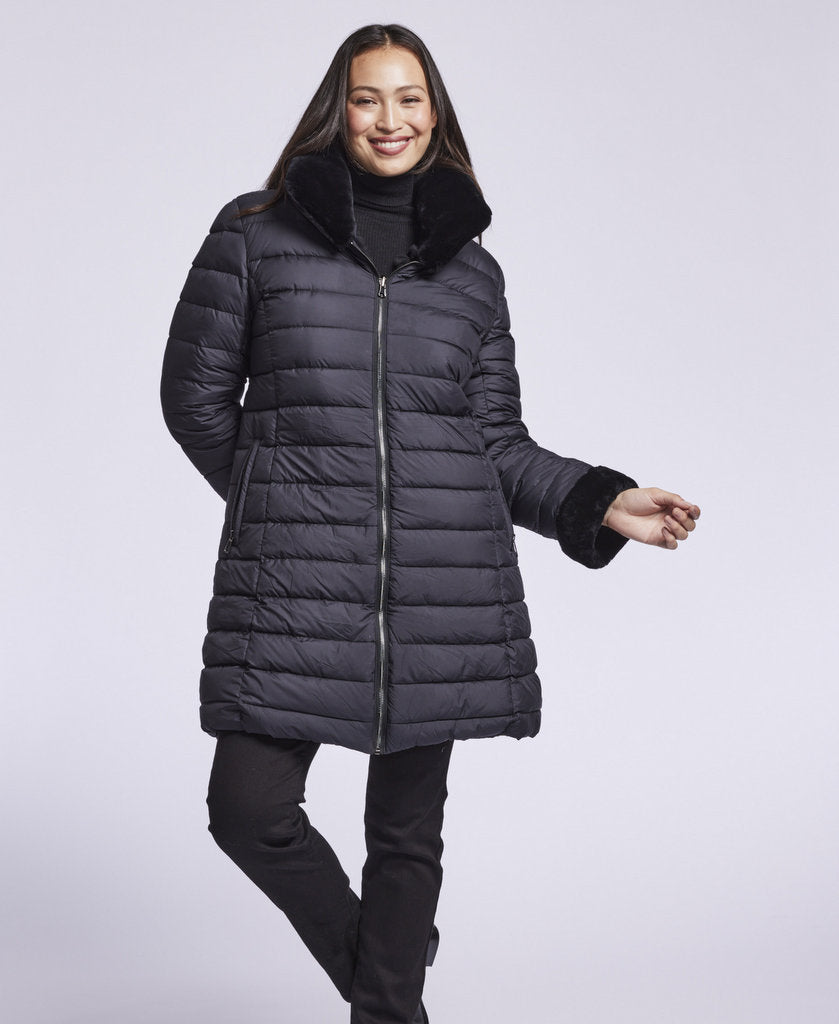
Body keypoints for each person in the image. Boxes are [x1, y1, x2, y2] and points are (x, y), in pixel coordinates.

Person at [160, 23, 700, 1024]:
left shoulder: (469, 274)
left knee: (406, 838)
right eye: (367, 97)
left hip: (436, 587)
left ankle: (386, 999)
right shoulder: (254, 232)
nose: (389, 119)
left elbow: (493, 443)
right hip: (296, 583)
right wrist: (290, 507)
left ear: (434, 113)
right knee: (247, 810)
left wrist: (601, 500)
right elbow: (194, 401)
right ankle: (391, 971)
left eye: (408, 98)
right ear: (337, 110)